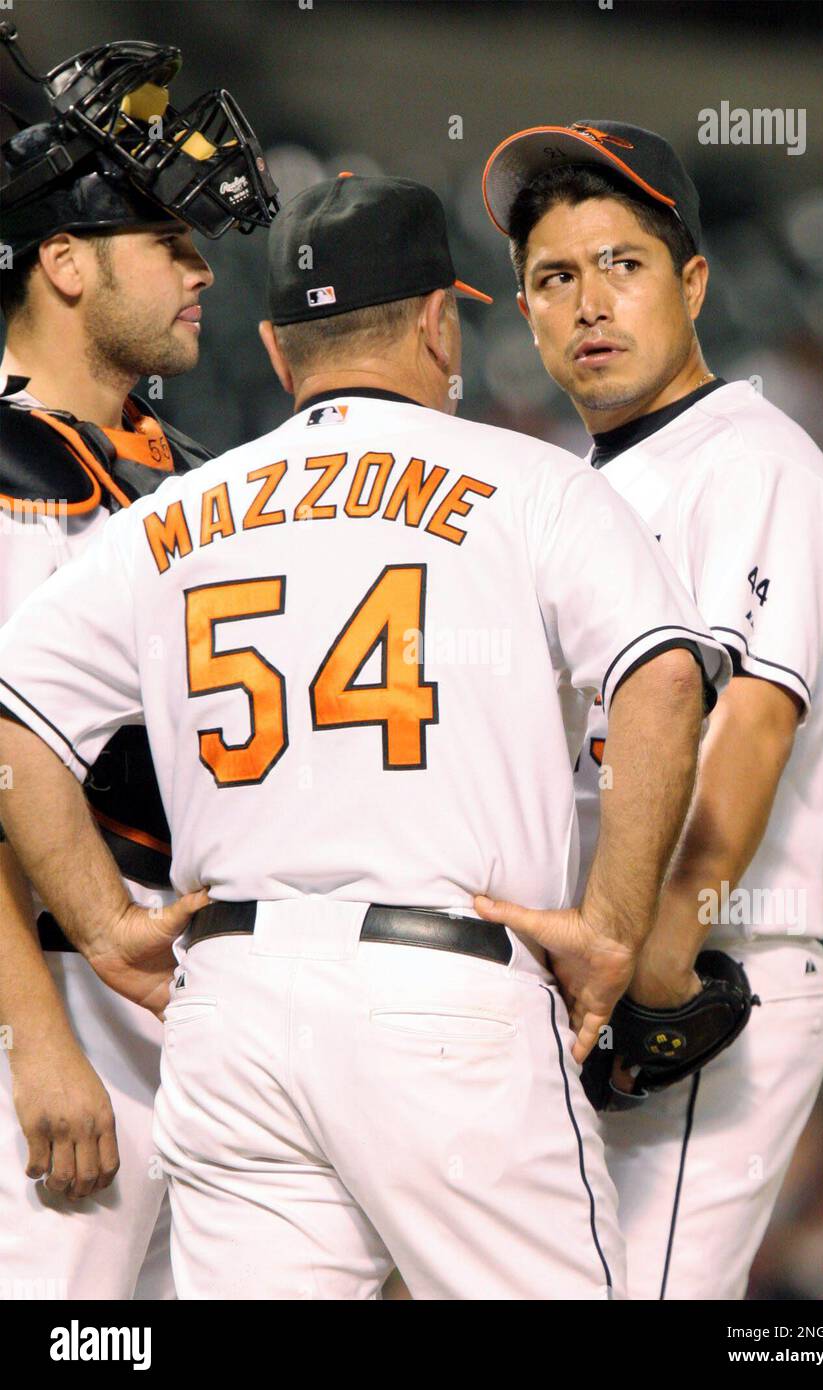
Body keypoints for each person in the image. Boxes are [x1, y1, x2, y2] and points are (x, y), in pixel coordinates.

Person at [0, 170, 730, 1300]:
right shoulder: (532, 484)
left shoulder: (174, 517)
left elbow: (11, 712)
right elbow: (664, 679)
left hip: (229, 1009)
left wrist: (102, 925)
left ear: (278, 349)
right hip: (445, 993)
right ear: (441, 321)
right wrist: (611, 926)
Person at [481, 118, 823, 1299]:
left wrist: (653, 974)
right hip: (598, 984)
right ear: (527, 313)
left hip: (705, 975)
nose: (589, 300)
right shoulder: (577, 484)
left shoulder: (748, 458)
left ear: (691, 282)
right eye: (555, 276)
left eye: (623, 264)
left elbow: (747, 726)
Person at [0, 29, 276, 1299]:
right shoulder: (13, 471)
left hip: (201, 998)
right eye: (166, 240)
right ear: (62, 261)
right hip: (56, 982)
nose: (198, 269)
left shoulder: (201, 468)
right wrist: (36, 1040)